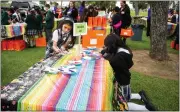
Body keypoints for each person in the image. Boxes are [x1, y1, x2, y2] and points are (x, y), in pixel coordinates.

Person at [101, 33, 156, 111]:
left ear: (112, 46)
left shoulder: (119, 57)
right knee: (126, 96)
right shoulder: (122, 48)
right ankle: (140, 95)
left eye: (107, 46)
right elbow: (108, 52)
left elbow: (110, 61)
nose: (106, 48)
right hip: (125, 78)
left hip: (122, 81)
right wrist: (105, 51)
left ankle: (146, 108)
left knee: (121, 104)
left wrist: (104, 54)